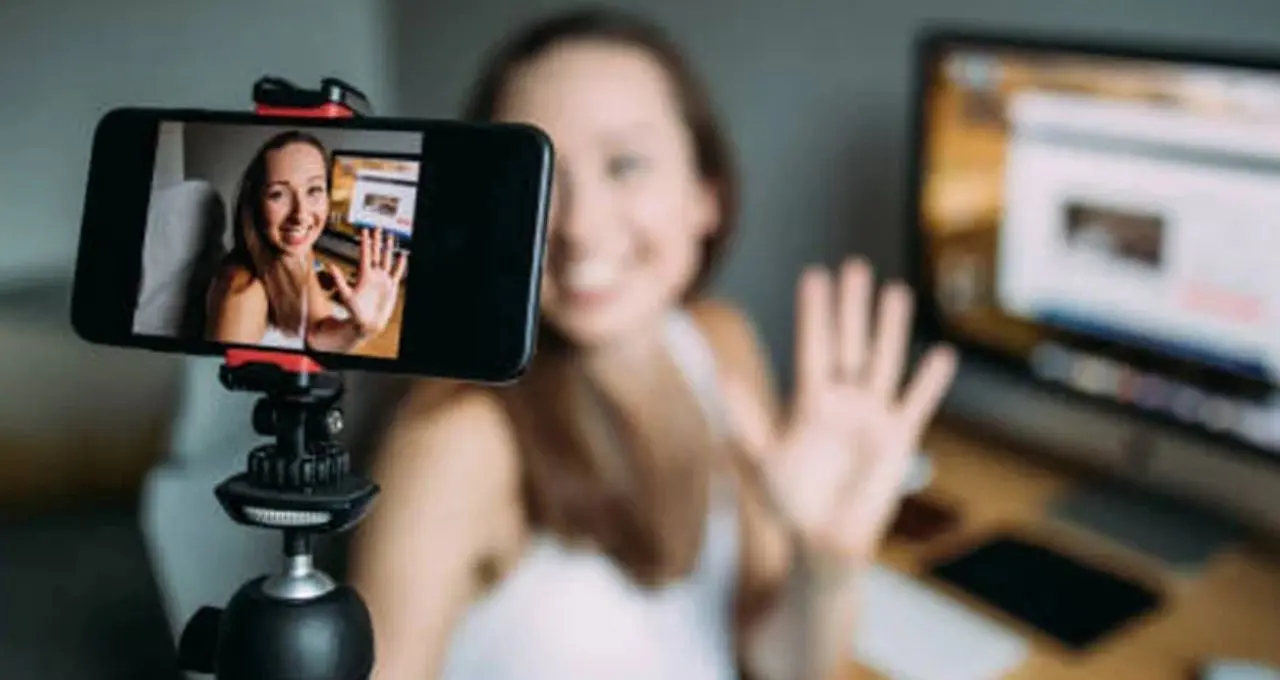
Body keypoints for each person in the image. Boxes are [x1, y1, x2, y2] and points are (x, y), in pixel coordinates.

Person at [349, 7, 958, 680]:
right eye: (539, 177)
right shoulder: (454, 438)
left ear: (706, 196)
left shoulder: (720, 344)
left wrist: (827, 566)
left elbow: (780, 666)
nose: (579, 227)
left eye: (625, 165)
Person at [206, 130, 406, 353]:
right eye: (278, 194)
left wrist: (359, 329)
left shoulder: (298, 254)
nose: (300, 214)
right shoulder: (244, 296)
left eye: (313, 190)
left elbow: (317, 335)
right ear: (255, 205)